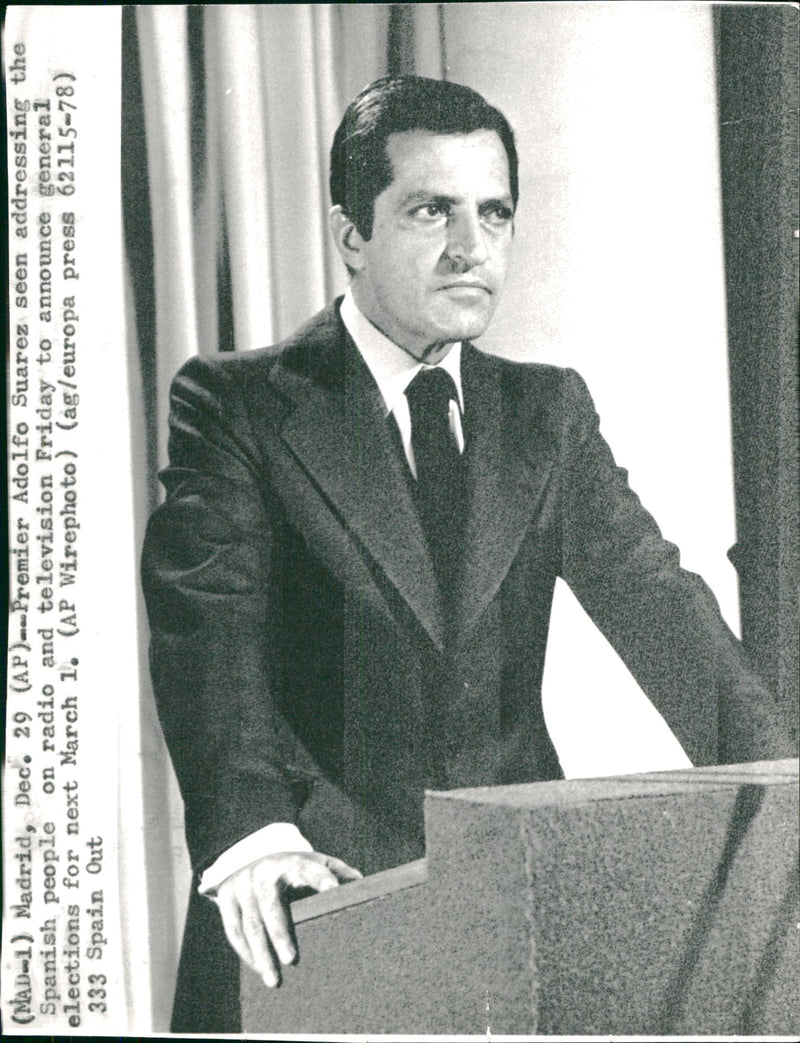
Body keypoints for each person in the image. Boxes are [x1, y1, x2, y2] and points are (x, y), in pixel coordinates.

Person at [141, 75, 793, 1033]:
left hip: (515, 911)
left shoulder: (547, 411)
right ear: (351, 233)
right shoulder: (236, 404)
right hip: (313, 903)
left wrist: (778, 787)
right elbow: (209, 631)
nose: (471, 248)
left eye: (494, 212)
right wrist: (250, 832)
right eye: (430, 210)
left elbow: (662, 605)